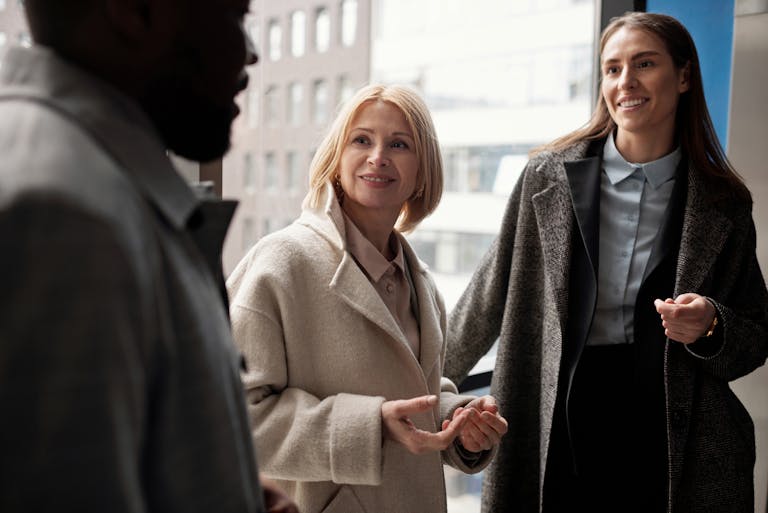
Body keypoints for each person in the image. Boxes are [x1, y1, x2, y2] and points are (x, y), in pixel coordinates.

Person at [444, 11, 768, 513]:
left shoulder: (723, 203)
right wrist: (418, 385)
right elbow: (487, 296)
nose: (625, 82)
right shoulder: (546, 179)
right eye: (612, 68)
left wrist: (710, 324)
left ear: (684, 76)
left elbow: (754, 336)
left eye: (645, 64)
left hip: (675, 442)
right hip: (559, 422)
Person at [0, 1, 296, 512]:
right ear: (133, 12)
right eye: (234, 16)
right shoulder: (61, 215)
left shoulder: (89, 181)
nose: (249, 54)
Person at [227, 84, 508, 513]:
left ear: (422, 172)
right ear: (336, 160)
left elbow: (413, 390)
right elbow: (233, 417)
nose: (378, 156)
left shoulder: (422, 283)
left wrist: (458, 420)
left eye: (399, 144)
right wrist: (370, 426)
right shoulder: (280, 263)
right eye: (361, 140)